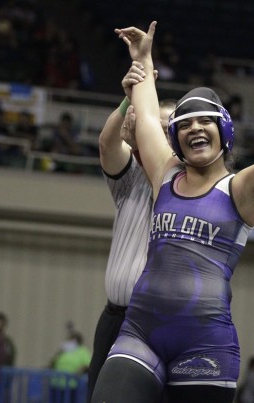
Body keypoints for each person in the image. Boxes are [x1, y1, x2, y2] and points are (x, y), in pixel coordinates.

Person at [90, 21, 254, 403]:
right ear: (176, 140)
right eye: (184, 124)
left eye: (205, 121)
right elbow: (149, 118)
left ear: (224, 131)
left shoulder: (243, 190)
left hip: (204, 346)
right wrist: (144, 58)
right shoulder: (163, 174)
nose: (194, 128)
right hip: (139, 332)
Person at [86, 61, 175, 402]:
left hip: (160, 321)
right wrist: (128, 101)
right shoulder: (132, 174)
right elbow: (107, 145)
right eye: (159, 128)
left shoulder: (187, 184)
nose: (163, 136)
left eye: (171, 129)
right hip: (116, 316)